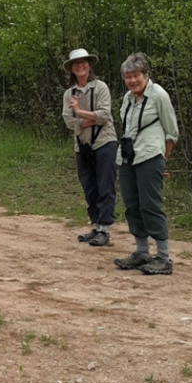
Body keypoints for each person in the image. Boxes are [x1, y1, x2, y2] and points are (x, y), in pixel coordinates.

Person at [113, 52, 180, 275]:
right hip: (128, 157)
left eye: (136, 75)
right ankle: (142, 252)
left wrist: (163, 162)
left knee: (150, 205)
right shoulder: (128, 98)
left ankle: (163, 257)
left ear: (146, 75)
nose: (132, 80)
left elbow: (171, 133)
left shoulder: (159, 95)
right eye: (128, 76)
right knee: (132, 204)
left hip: (150, 156)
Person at [61, 49, 118, 247]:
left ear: (89, 65)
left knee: (105, 186)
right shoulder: (69, 93)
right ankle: (96, 225)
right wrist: (85, 120)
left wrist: (79, 113)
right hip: (82, 146)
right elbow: (69, 122)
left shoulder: (100, 87)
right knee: (89, 186)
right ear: (72, 69)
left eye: (83, 62)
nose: (80, 66)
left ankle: (105, 229)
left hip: (104, 142)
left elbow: (104, 115)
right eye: (76, 63)